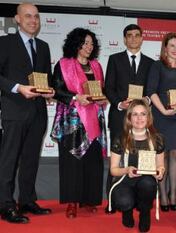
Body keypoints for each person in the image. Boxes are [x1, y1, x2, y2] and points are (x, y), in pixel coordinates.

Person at [0, 3, 54, 224]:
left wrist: (49, 90)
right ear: (17, 19)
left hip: (38, 112)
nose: (34, 20)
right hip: (14, 110)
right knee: (9, 161)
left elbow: (45, 78)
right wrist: (17, 88)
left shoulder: (43, 46)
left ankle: (27, 200)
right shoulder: (4, 43)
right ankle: (5, 205)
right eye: (28, 16)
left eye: (37, 17)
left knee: (31, 160)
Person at [50, 27, 107, 218]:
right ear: (76, 44)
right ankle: (72, 202)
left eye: (91, 43)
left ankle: (89, 200)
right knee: (71, 162)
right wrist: (75, 97)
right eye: (85, 43)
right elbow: (56, 90)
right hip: (72, 120)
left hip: (94, 118)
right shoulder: (64, 64)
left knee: (92, 160)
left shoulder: (97, 66)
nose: (89, 47)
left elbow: (100, 90)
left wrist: (102, 99)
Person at [104, 24, 154, 214]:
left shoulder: (150, 63)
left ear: (142, 38)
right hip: (119, 116)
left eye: (137, 35)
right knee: (116, 160)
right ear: (124, 39)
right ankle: (111, 201)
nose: (133, 39)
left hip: (142, 119)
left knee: (142, 157)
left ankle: (141, 199)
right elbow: (108, 87)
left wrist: (144, 101)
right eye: (129, 36)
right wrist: (119, 104)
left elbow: (152, 89)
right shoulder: (114, 59)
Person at [146, 32, 176, 212]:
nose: (175, 49)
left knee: (175, 155)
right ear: (165, 48)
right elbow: (151, 91)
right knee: (162, 155)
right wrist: (163, 110)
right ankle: (163, 195)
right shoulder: (157, 66)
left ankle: (174, 194)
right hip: (160, 115)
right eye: (171, 45)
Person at [108, 99, 165, 232]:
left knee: (148, 184)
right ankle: (127, 211)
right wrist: (127, 170)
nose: (139, 118)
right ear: (129, 118)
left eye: (143, 114)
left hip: (146, 181)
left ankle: (145, 213)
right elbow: (113, 170)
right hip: (124, 180)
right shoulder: (120, 138)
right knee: (124, 201)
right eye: (135, 114)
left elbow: (161, 165)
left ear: (148, 117)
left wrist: (160, 171)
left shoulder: (157, 139)